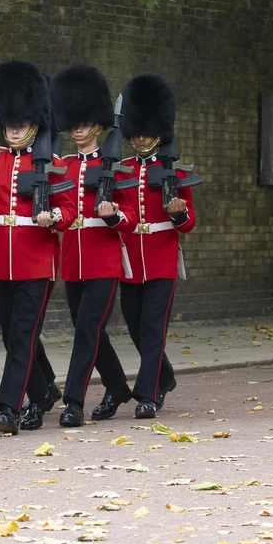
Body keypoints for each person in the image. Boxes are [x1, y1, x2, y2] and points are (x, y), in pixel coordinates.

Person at [0, 61, 75, 434]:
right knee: (10, 333)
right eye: (10, 122)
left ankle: (8, 407)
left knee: (21, 334)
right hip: (0, 261)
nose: (14, 128)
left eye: (21, 121)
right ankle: (42, 391)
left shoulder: (54, 163)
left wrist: (54, 218)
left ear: (35, 122)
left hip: (37, 262)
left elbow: (68, 209)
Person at [50, 64, 139, 428]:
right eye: (75, 122)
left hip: (103, 259)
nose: (79, 127)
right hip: (72, 258)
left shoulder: (115, 166)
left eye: (85, 121)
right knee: (89, 330)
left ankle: (73, 401)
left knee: (88, 327)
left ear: (98, 125)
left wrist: (114, 213)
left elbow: (131, 219)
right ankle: (117, 386)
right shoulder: (62, 166)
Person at [118, 74, 195, 418]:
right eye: (138, 131)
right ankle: (164, 376)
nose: (142, 138)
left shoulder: (175, 171)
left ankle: (147, 394)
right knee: (135, 327)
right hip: (131, 258)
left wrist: (178, 214)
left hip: (162, 255)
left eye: (147, 132)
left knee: (153, 326)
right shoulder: (123, 171)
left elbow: (190, 222)